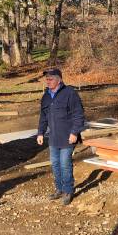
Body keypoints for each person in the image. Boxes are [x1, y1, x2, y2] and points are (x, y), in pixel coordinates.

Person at [36, 68, 85, 205]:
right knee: (55, 164)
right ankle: (59, 189)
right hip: (53, 137)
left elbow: (78, 114)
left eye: (51, 78)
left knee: (65, 164)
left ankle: (68, 191)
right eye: (47, 79)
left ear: (59, 79)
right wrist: (40, 132)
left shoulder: (70, 93)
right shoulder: (46, 96)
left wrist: (75, 132)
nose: (48, 81)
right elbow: (43, 117)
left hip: (68, 137)